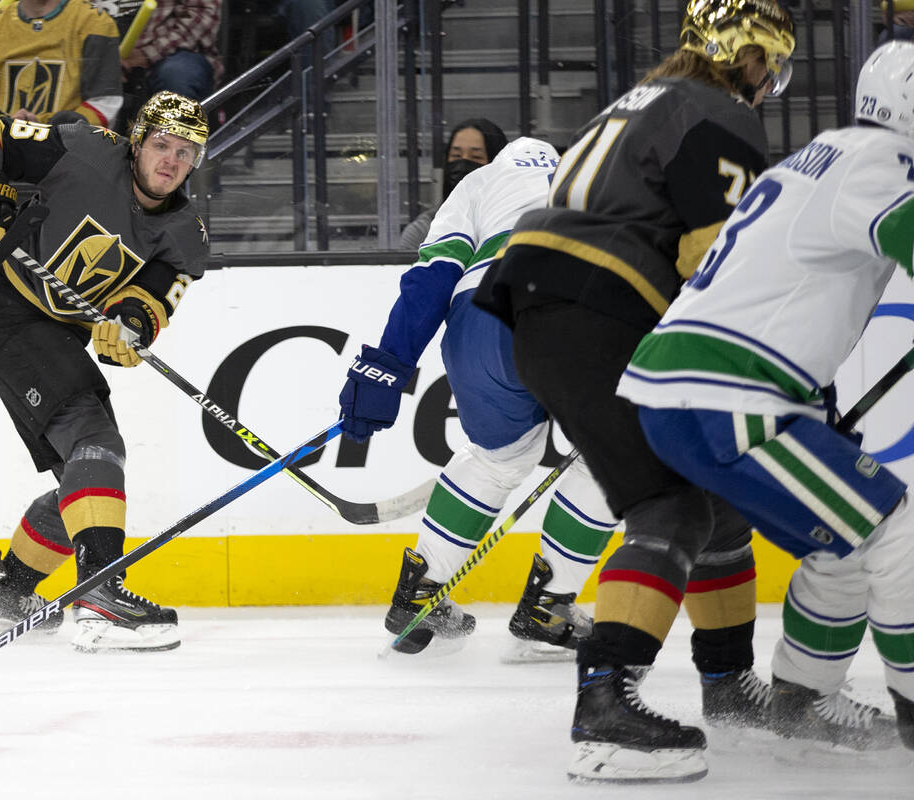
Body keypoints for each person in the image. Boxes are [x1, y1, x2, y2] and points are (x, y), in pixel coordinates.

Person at [475, 0, 797, 783]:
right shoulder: (721, 110)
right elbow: (714, 258)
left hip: (545, 306)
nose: (768, 82)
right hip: (602, 307)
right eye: (770, 63)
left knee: (713, 499)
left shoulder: (637, 100)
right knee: (671, 506)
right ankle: (605, 703)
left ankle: (727, 684)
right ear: (746, 53)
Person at [620, 39, 914, 754]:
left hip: (692, 389)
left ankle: (803, 701)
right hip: (729, 395)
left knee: (846, 542)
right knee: (899, 530)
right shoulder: (883, 162)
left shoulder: (825, 156)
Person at [0, 90, 210, 652]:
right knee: (96, 440)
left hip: (57, 333)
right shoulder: (83, 148)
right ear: (137, 142)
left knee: (87, 470)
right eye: (162, 145)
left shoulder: (186, 234)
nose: (171, 160)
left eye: (185, 152)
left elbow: (151, 300)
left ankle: (5, 594)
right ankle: (101, 593)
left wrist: (130, 327)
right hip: (0, 304)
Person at [337, 136, 617, 659]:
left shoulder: (478, 181)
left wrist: (386, 368)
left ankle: (418, 596)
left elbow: (431, 280)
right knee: (612, 458)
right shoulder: (593, 177)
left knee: (497, 460)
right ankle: (548, 606)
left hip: (478, 322)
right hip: (569, 305)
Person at [0, 0, 122, 127]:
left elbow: (104, 103)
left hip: (70, 149)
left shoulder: (95, 23)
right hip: (2, 148)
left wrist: (48, 131)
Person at [399, 118, 506, 251]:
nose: (463, 164)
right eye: (456, 156)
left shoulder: (511, 228)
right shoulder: (424, 231)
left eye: (476, 157)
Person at [117, 0, 221, 133]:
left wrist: (147, 54)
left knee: (177, 74)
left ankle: (175, 140)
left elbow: (201, 13)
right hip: (103, 48)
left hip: (170, 49)